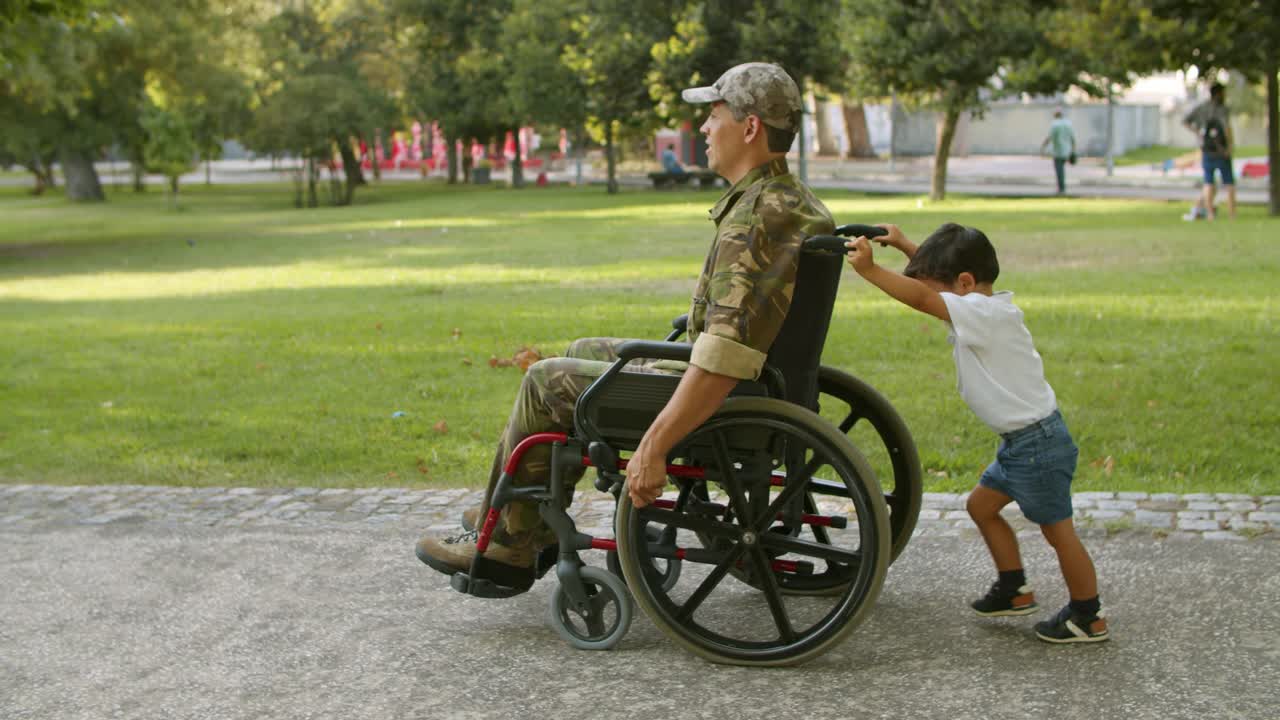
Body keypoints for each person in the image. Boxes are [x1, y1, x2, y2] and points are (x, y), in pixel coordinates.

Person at [415, 62, 835, 582]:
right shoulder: (789, 201)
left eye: (714, 114)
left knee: (546, 379)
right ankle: (515, 512)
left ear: (749, 127)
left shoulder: (757, 220)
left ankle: (510, 542)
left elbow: (725, 355)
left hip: (728, 398)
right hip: (761, 386)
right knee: (584, 348)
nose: (703, 128)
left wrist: (654, 447)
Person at [843, 223, 1109, 644]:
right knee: (981, 507)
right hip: (1023, 442)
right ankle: (1013, 589)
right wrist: (902, 244)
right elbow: (935, 283)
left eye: (944, 289)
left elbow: (924, 296)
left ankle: (1087, 615)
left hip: (1036, 446)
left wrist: (872, 272)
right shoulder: (980, 306)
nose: (939, 300)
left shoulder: (982, 314)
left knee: (1059, 532)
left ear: (965, 283)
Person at [1183, 83, 1236, 220]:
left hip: (1206, 149)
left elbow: (1185, 121)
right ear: (1218, 94)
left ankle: (1210, 214)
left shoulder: (1202, 108)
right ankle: (1232, 214)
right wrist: (1230, 146)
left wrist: (1198, 133)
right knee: (1229, 183)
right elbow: (1226, 128)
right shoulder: (1222, 109)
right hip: (1221, 150)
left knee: (1208, 182)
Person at [1039, 110, 1076, 195]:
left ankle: (1061, 188)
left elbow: (1050, 137)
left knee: (1059, 170)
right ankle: (1062, 187)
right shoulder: (1068, 124)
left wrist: (1043, 147)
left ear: (1055, 116)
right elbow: (1072, 138)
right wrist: (1073, 149)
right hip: (1067, 150)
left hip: (1058, 151)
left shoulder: (1055, 124)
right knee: (1062, 169)